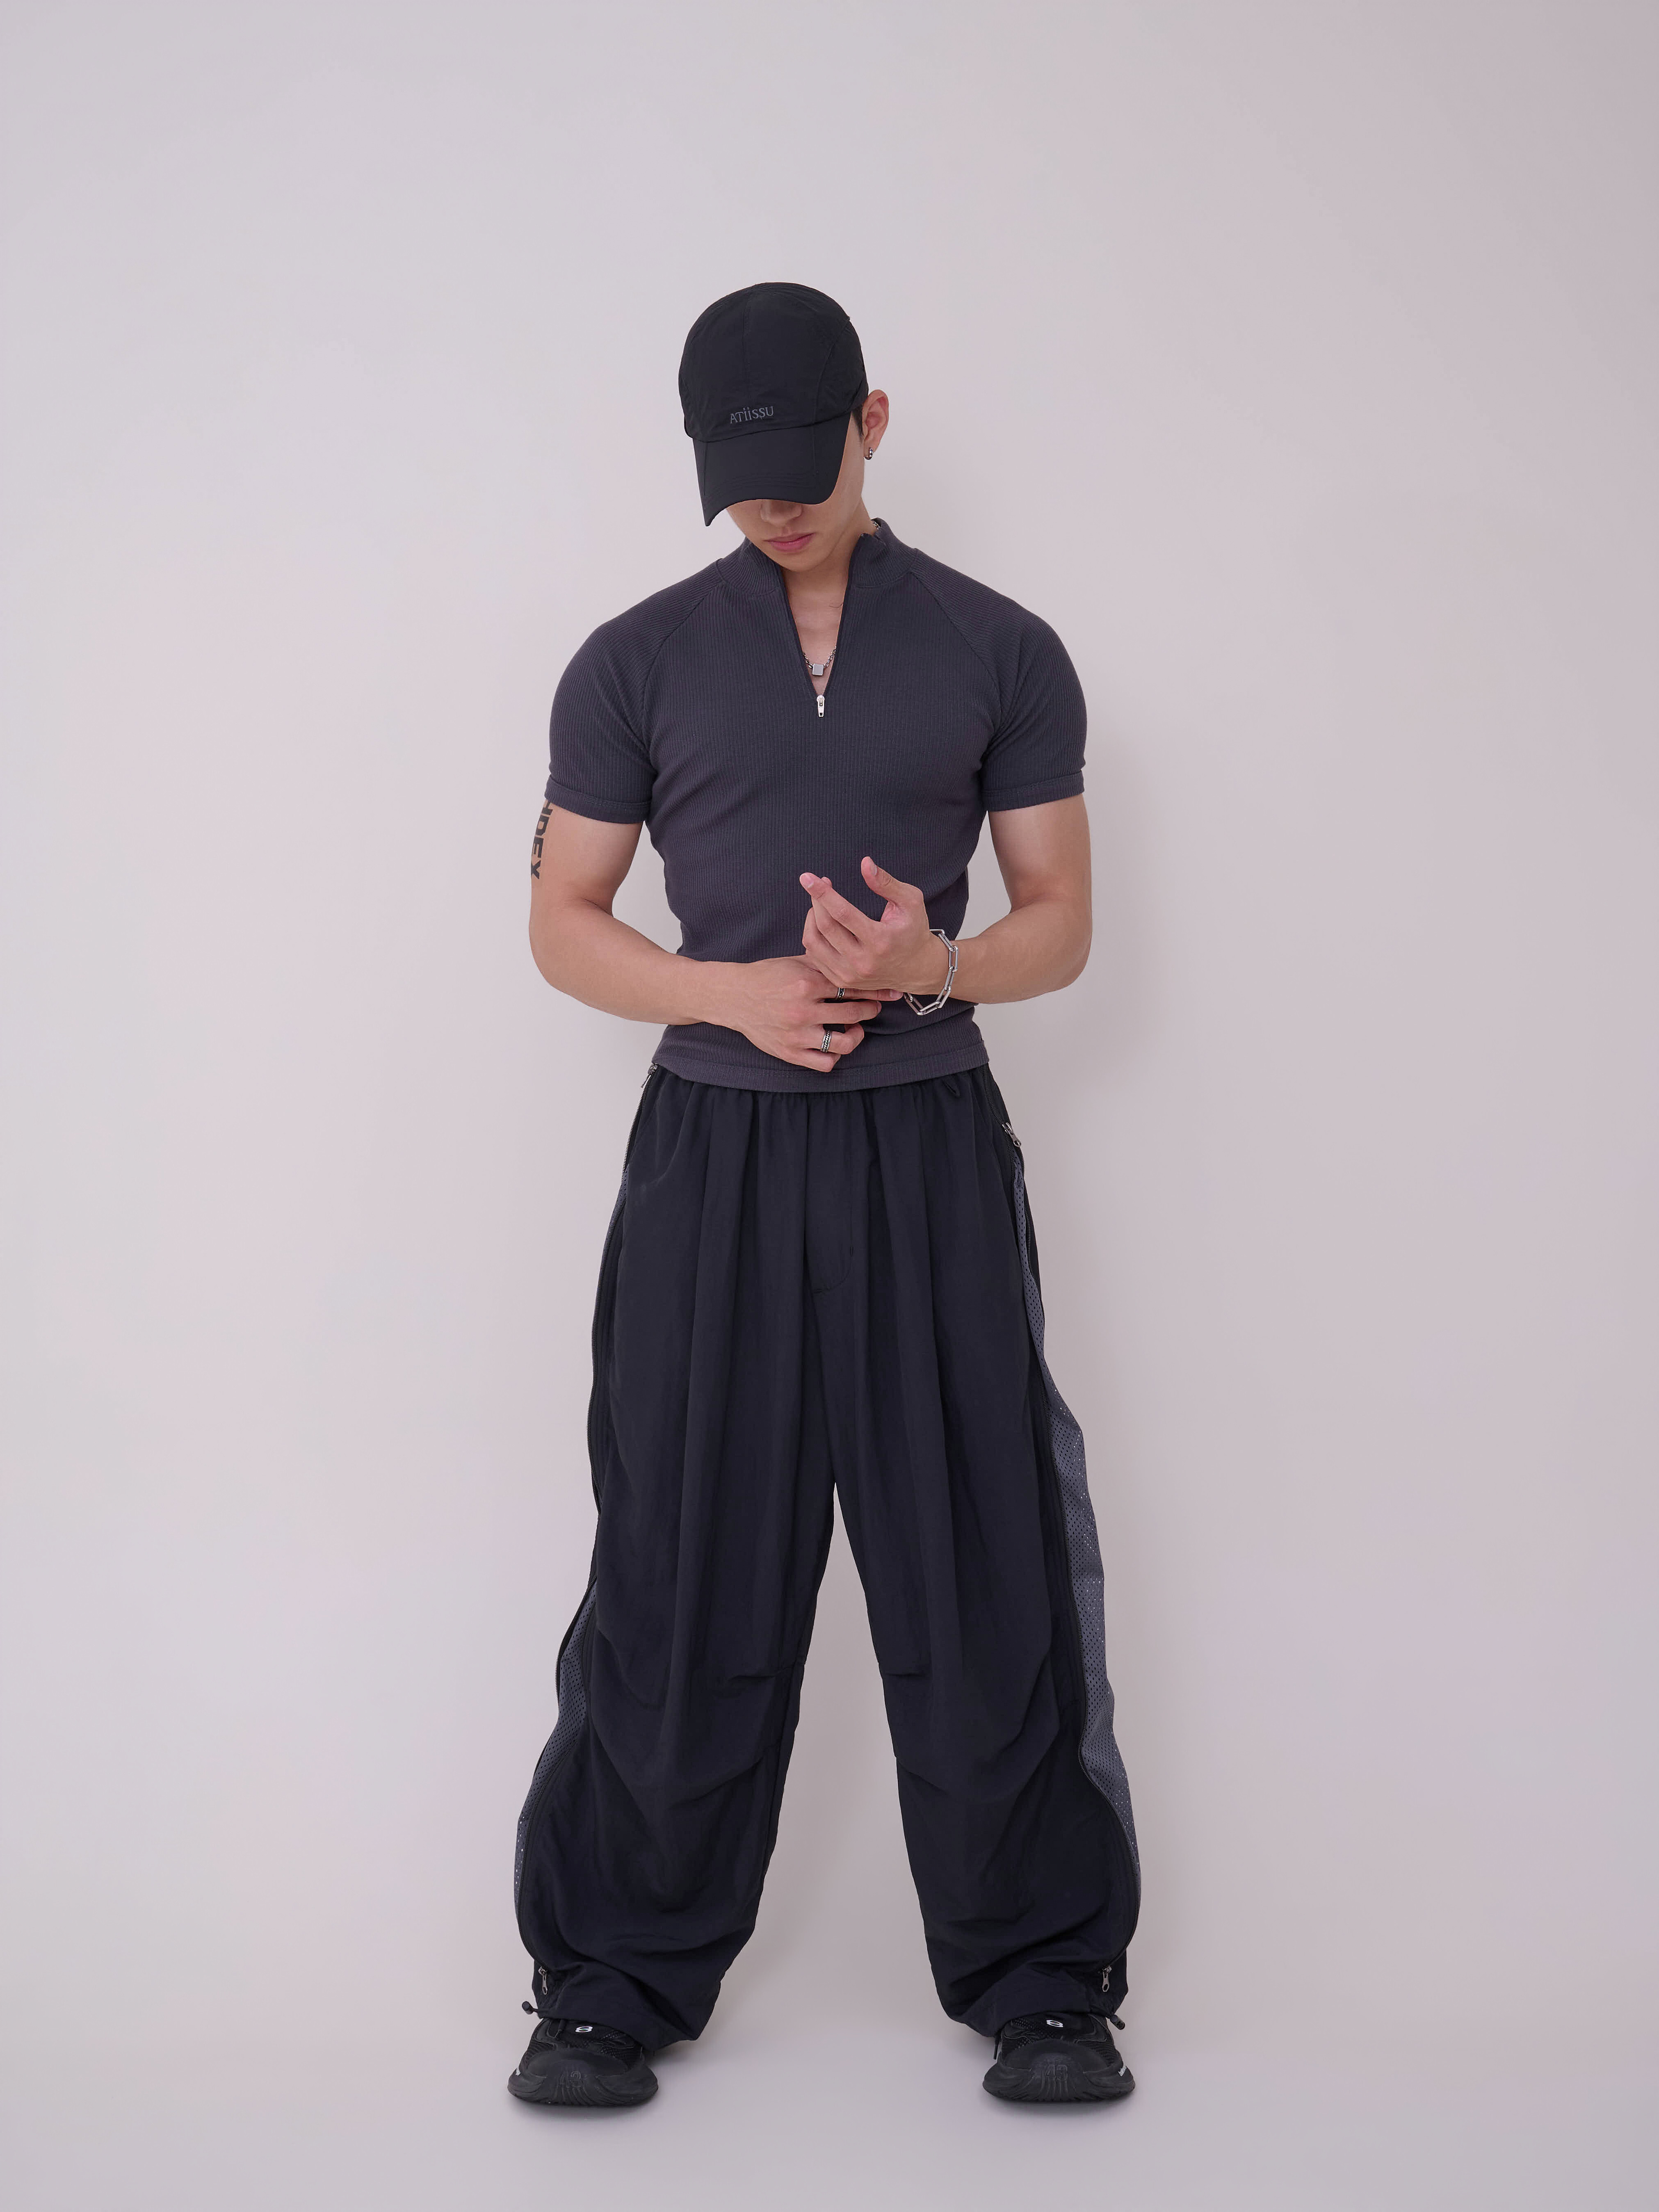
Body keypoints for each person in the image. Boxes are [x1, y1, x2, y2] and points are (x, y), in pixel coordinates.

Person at [509, 282, 1139, 2110]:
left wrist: (935, 963)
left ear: (871, 419)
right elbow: (561, 921)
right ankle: (611, 1978)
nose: (774, 506)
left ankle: (1043, 1978)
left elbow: (1060, 925)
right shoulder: (630, 660)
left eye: (803, 464)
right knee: (679, 1557)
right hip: (712, 1156)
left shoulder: (1002, 647)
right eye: (740, 480)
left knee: (981, 1552)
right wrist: (729, 993)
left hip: (925, 1144)